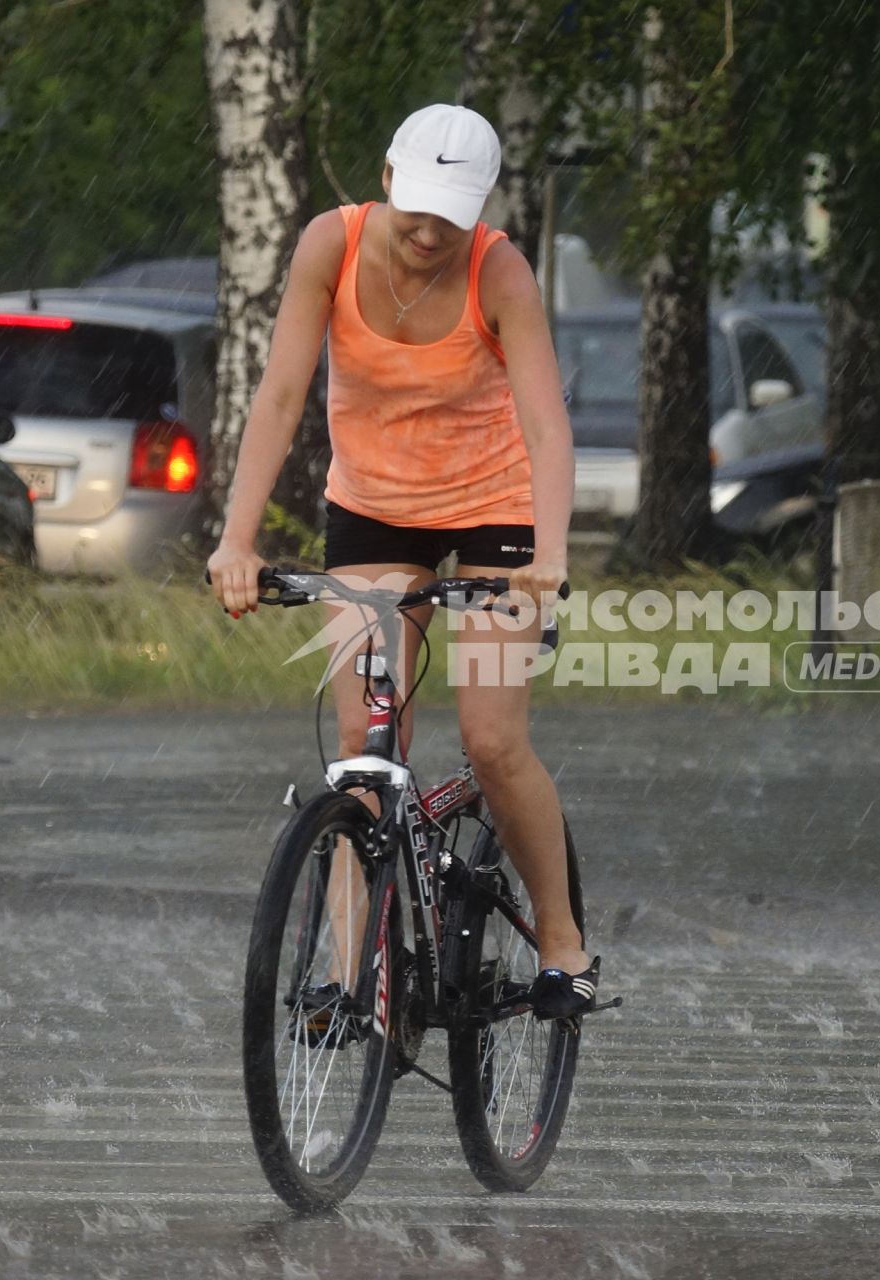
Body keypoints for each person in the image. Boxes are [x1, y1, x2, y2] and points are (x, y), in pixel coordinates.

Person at [207, 103, 596, 1019]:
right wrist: (237, 537)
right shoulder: (328, 249)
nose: (427, 232)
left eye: (450, 215)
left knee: (495, 742)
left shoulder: (500, 272)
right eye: (416, 207)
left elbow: (546, 423)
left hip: (497, 511)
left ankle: (564, 940)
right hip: (375, 511)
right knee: (363, 749)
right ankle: (354, 975)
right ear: (385, 180)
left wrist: (549, 554)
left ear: (481, 208)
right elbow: (279, 396)